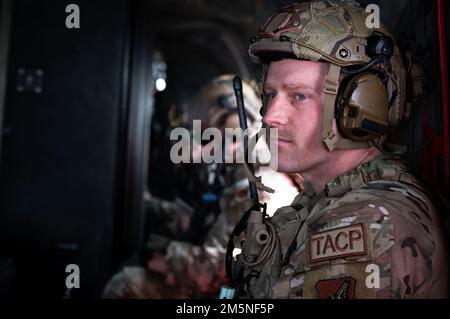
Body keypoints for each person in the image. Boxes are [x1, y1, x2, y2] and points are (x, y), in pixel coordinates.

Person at [232, 0, 448, 299]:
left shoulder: (364, 221)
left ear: (359, 106)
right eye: (271, 94)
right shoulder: (325, 197)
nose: (270, 115)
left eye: (299, 96)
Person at [102, 75, 299, 298]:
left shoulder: (257, 182)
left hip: (237, 292)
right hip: (227, 285)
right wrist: (150, 206)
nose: (205, 148)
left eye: (209, 136)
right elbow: (202, 218)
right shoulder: (240, 170)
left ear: (234, 127)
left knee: (125, 286)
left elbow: (221, 266)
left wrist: (162, 259)